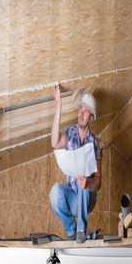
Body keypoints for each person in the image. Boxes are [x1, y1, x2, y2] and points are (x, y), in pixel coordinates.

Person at [49, 85, 102, 243]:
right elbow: (55, 142)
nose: (81, 113)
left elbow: (98, 182)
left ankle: (81, 231)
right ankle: (71, 232)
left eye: (86, 111)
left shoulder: (94, 144)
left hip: (86, 199)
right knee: (55, 192)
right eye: (81, 108)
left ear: (91, 118)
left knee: (83, 173)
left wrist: (88, 183)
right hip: (71, 198)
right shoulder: (70, 133)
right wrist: (58, 106)